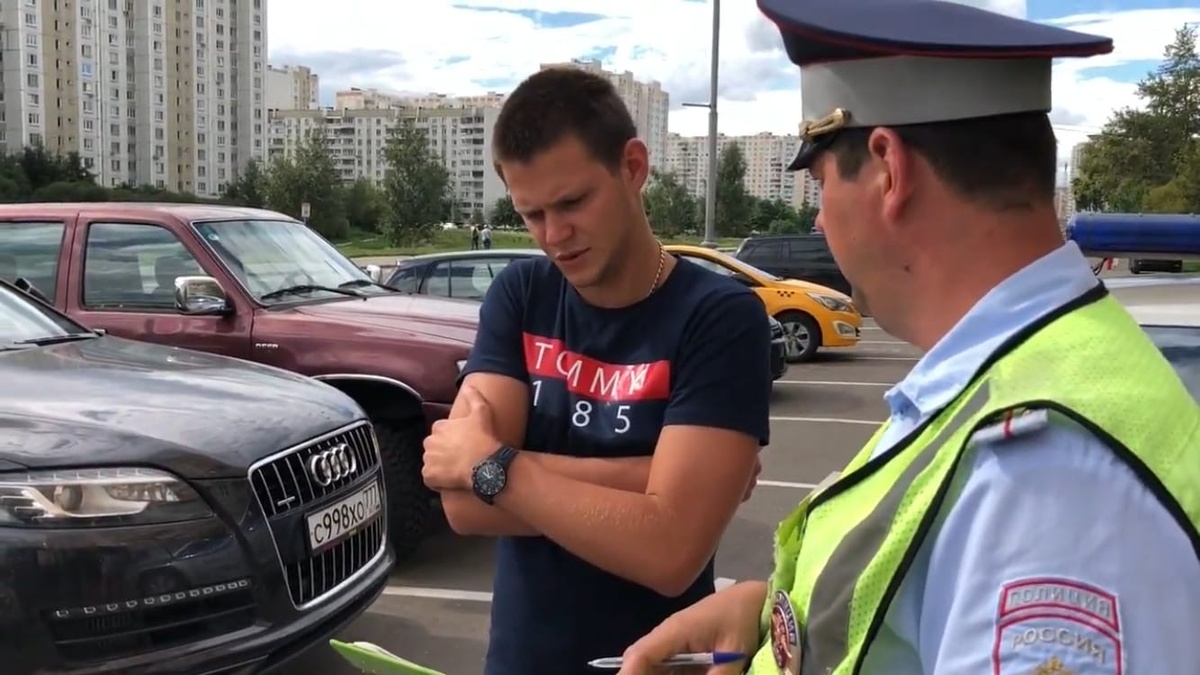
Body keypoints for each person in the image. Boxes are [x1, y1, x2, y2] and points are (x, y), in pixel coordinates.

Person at [617, 1, 1200, 673]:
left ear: (888, 169)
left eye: (821, 182)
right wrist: (774, 618)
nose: (819, 223)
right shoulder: (1019, 382)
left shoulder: (1046, 480)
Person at [419, 67, 772, 675]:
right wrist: (653, 481)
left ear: (632, 167)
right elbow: (463, 504)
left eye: (573, 203)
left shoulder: (720, 316)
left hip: (651, 663)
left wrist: (494, 465)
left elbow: (670, 552)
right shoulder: (521, 294)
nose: (555, 235)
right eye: (531, 214)